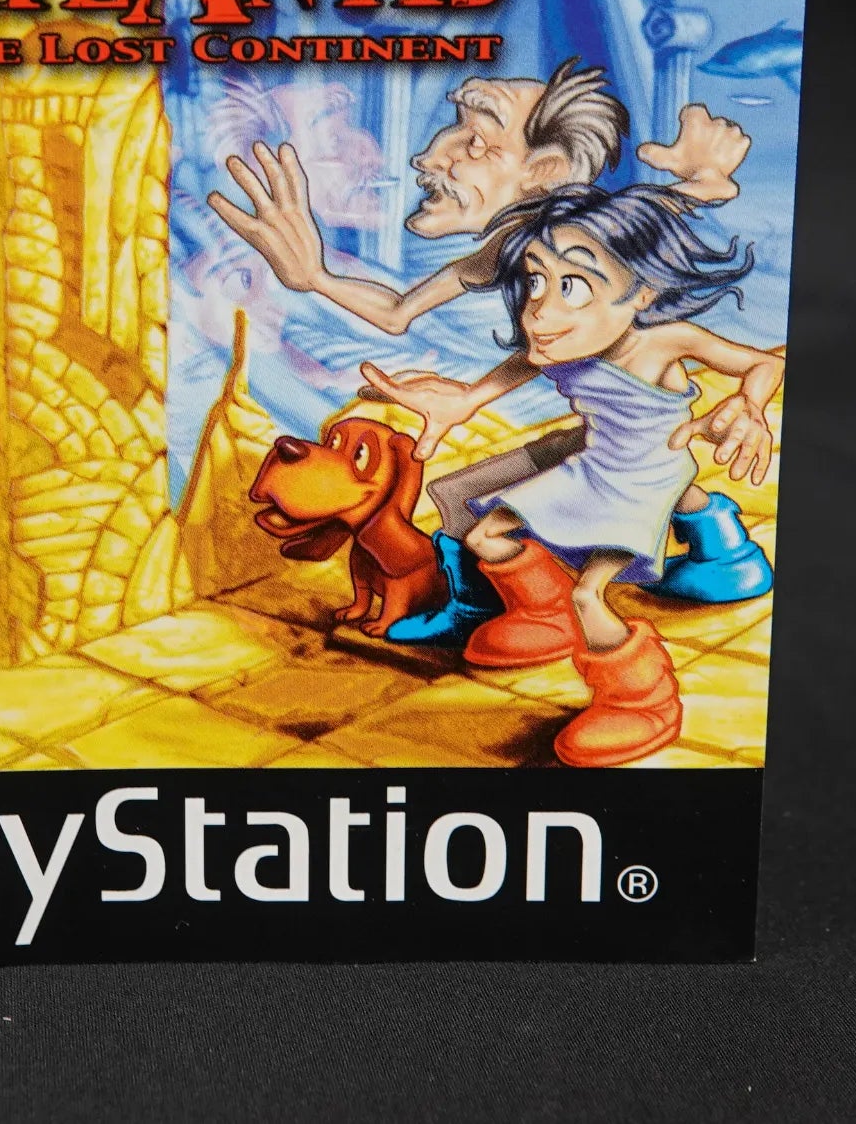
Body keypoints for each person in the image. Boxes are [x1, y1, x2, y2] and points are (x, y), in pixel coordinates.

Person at [207, 59, 773, 625]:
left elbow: (649, 257)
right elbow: (404, 314)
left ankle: (540, 606)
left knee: (625, 483)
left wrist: (748, 405)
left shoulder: (610, 259)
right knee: (464, 493)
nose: (430, 158)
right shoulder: (519, 249)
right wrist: (316, 278)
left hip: (637, 447)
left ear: (543, 171)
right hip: (599, 436)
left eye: (475, 142)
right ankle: (485, 603)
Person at [358, 183, 782, 767]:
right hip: (593, 465)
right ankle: (543, 614)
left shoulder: (665, 341)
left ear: (642, 292)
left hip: (645, 476)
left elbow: (763, 362)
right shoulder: (566, 347)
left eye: (574, 286)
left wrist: (750, 404)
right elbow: (520, 366)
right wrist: (467, 399)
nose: (538, 308)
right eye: (536, 280)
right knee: (486, 535)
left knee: (590, 592)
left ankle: (642, 700)